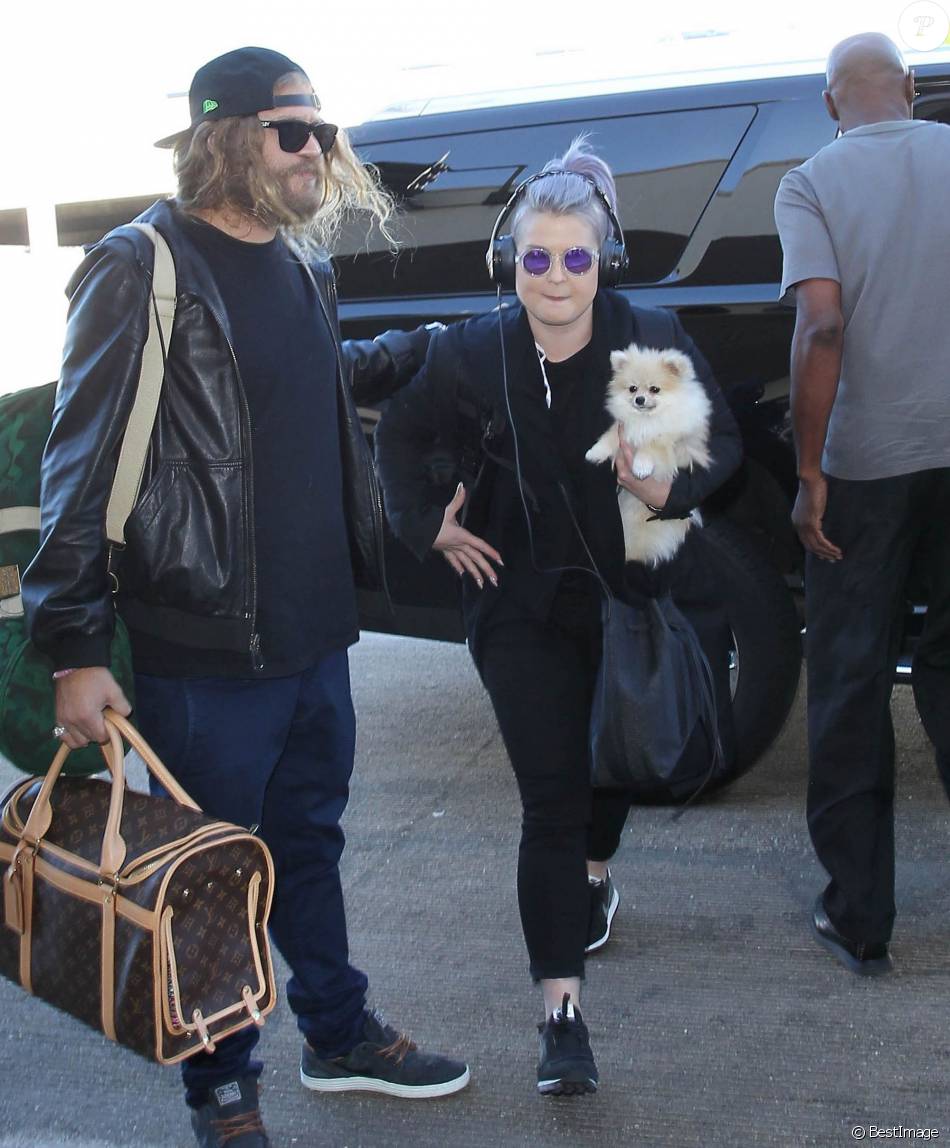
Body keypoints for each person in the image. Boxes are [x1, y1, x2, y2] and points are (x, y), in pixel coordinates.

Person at [22, 47, 469, 1148]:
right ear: (223, 137)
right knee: (209, 868)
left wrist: (433, 349)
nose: (314, 151)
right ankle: (223, 1089)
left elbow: (307, 387)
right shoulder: (143, 265)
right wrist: (75, 645)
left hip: (317, 632)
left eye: (320, 131)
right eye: (290, 131)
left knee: (308, 843)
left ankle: (338, 1027)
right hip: (203, 645)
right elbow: (78, 464)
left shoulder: (304, 271)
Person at [375, 138, 742, 1094]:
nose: (555, 276)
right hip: (518, 605)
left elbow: (725, 447)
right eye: (536, 257)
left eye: (575, 257)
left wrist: (667, 483)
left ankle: (593, 869)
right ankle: (562, 1016)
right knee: (551, 798)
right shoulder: (471, 349)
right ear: (513, 261)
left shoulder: (650, 336)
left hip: (633, 601)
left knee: (607, 778)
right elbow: (402, 434)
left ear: (602, 260)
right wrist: (428, 526)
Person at [774, 33, 950, 977]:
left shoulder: (810, 184)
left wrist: (811, 474)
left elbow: (824, 321)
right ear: (913, 91)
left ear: (831, 101)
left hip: (869, 467)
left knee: (849, 683)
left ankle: (860, 919)